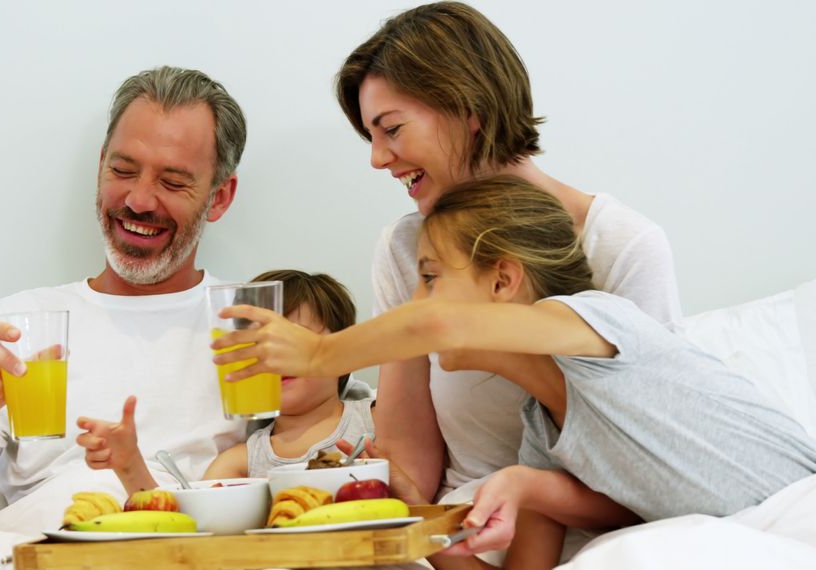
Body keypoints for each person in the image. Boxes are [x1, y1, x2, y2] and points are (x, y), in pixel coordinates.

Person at [212, 175, 816, 570]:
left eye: (430, 278)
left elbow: (442, 326)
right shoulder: (542, 437)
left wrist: (320, 355)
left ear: (502, 281)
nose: (417, 301)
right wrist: (409, 509)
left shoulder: (599, 323)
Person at [334, 1, 684, 505]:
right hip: (461, 527)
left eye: (391, 129)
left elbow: (655, 463)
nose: (377, 157)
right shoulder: (405, 246)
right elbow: (411, 455)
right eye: (370, 136)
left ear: (467, 108)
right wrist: (393, 496)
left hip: (593, 533)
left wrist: (524, 494)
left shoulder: (623, 245)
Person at [0, 65, 249, 536]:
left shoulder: (251, 329)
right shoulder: (17, 325)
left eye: (172, 182)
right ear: (100, 166)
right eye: (122, 169)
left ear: (219, 197)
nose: (138, 199)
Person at [76, 269, 376, 493]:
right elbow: (189, 530)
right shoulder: (242, 460)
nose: (277, 356)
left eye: (296, 340)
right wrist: (130, 465)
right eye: (259, 342)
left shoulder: (376, 419)